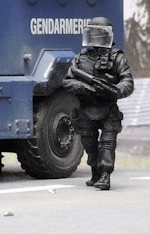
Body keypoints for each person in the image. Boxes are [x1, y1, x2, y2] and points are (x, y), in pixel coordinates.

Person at [61, 16, 134, 191]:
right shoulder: (81, 58)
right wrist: (81, 87)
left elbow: (128, 82)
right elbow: (67, 81)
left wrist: (114, 90)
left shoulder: (117, 57)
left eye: (100, 33)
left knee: (107, 143)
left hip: (108, 107)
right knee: (89, 143)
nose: (96, 37)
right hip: (86, 108)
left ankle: (105, 174)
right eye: (93, 33)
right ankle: (95, 171)